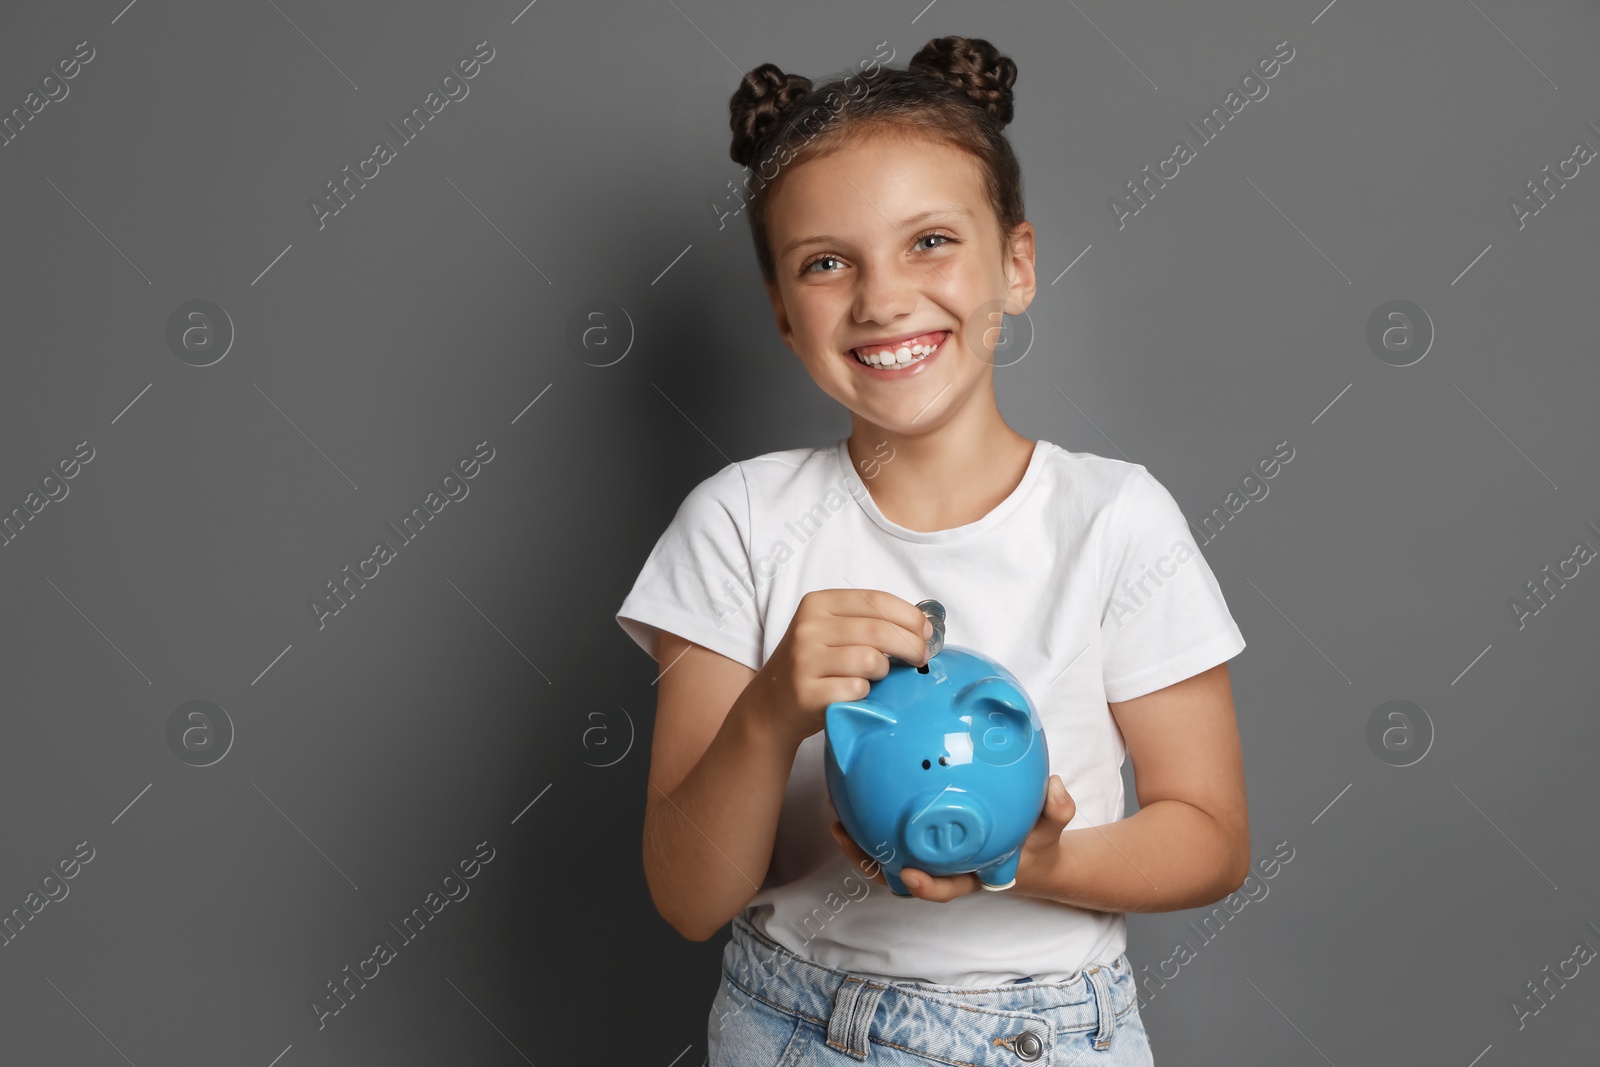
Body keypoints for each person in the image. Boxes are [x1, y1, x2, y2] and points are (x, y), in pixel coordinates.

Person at [615, 34, 1249, 1066]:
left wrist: (1027, 859)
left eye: (929, 242)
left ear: (1016, 264)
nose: (880, 297)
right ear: (782, 309)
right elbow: (688, 896)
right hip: (793, 1025)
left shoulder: (1115, 517)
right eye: (827, 262)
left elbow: (1213, 837)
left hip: (1051, 1034)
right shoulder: (736, 522)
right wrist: (772, 709)